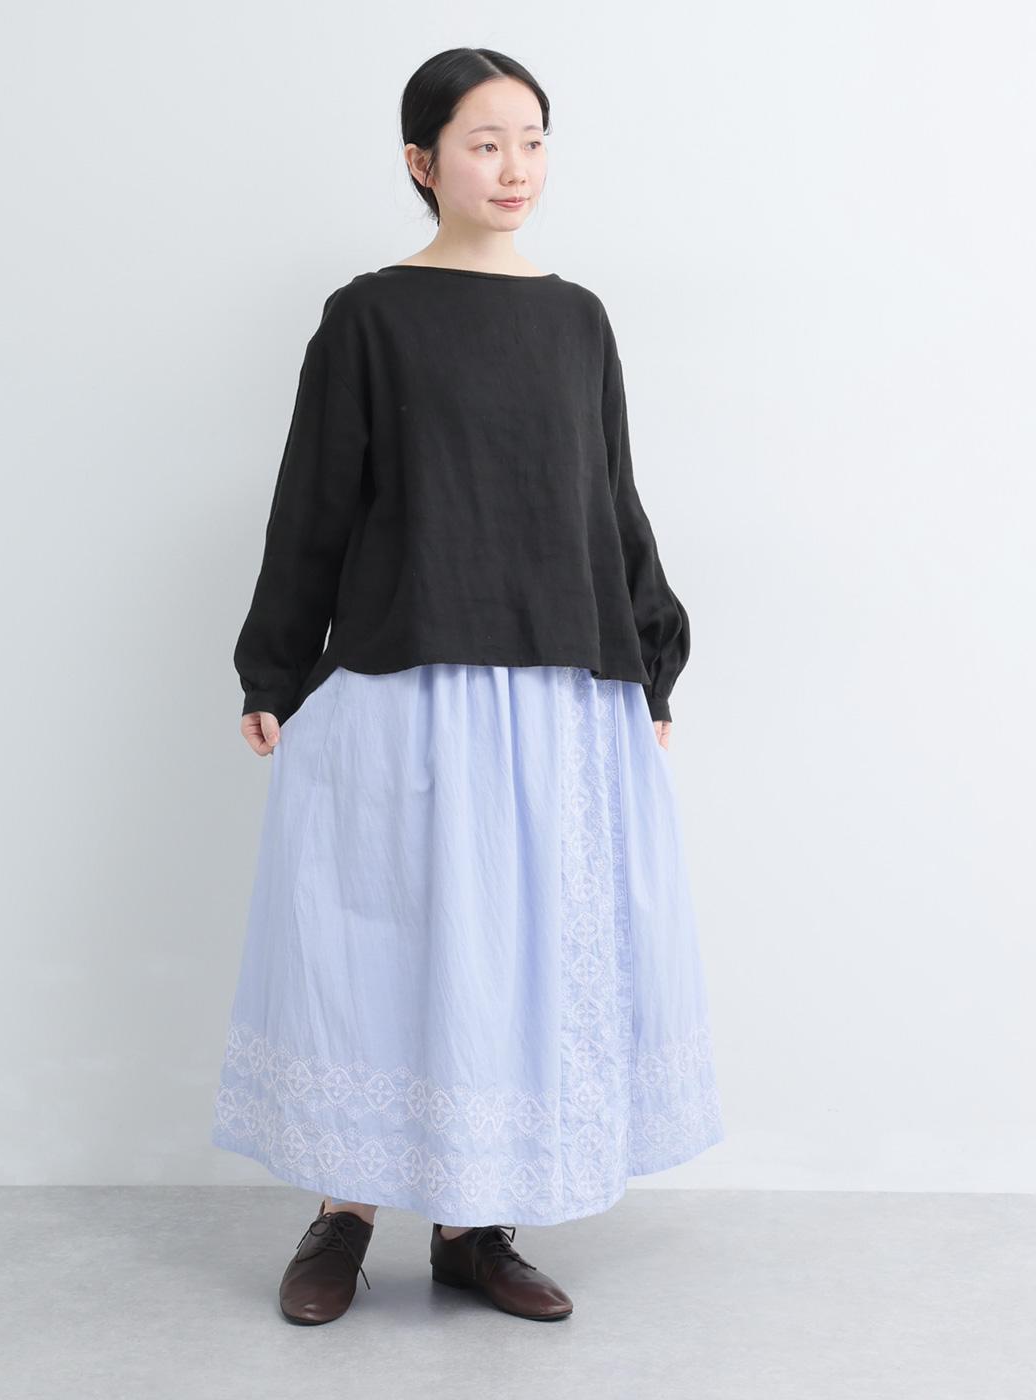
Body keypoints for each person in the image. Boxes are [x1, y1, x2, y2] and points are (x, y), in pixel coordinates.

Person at [210, 46, 724, 1326]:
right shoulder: (370, 316)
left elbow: (610, 501)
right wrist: (275, 661)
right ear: (421, 161)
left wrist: (650, 656)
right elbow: (315, 501)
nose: (514, 167)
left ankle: (474, 1225)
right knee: (380, 944)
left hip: (555, 692)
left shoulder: (578, 318)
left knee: (510, 960)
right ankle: (343, 1214)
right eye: (485, 142)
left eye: (533, 141)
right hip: (405, 681)